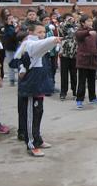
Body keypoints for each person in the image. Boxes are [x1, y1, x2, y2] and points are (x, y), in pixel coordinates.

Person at [14, 22, 61, 157]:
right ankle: (31, 144)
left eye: (43, 32)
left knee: (38, 112)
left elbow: (44, 46)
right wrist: (53, 39)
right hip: (30, 86)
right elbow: (38, 46)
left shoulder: (40, 45)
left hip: (39, 84)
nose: (42, 34)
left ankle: (37, 139)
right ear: (31, 32)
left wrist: (52, 41)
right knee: (30, 115)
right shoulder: (29, 44)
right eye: (38, 32)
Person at [74, 15, 97, 109]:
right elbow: (80, 35)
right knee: (82, 81)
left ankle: (92, 97)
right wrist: (89, 31)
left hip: (92, 60)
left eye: (91, 21)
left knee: (92, 80)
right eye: (88, 21)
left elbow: (96, 45)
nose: (90, 22)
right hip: (83, 61)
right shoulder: (80, 32)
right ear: (83, 23)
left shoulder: (94, 32)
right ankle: (79, 100)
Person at [59, 13, 78, 101]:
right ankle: (63, 92)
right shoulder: (62, 26)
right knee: (64, 74)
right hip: (64, 53)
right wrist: (67, 22)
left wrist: (73, 23)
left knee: (74, 74)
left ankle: (75, 91)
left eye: (71, 18)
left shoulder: (76, 26)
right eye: (68, 18)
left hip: (74, 53)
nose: (70, 19)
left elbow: (77, 35)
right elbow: (62, 31)